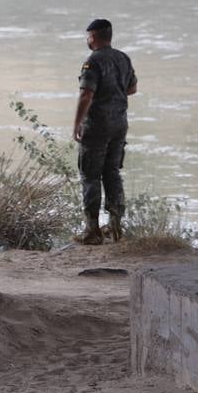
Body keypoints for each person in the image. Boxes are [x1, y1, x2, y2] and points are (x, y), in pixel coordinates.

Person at [72, 18, 137, 245]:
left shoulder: (93, 62)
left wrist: (78, 123)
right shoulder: (123, 58)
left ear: (94, 37)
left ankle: (92, 231)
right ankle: (116, 227)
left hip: (97, 126)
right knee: (112, 173)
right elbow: (132, 88)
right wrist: (114, 93)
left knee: (90, 176)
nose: (87, 41)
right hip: (119, 124)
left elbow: (86, 94)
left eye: (88, 37)